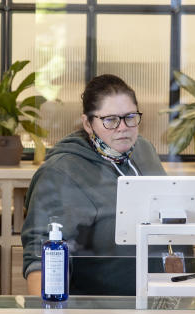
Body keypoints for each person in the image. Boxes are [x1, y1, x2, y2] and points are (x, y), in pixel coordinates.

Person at [20, 74, 179, 296]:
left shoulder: (143, 149)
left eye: (130, 117)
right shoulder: (61, 171)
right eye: (111, 120)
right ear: (88, 123)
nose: (123, 128)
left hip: (167, 295)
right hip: (103, 309)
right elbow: (40, 256)